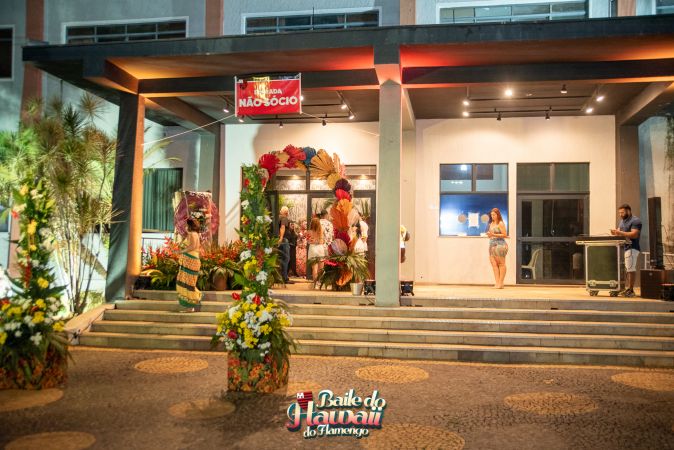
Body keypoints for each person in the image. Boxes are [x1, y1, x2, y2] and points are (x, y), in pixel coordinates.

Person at [610, 203, 642, 297]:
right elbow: (620, 232)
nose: (621, 214)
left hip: (632, 248)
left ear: (628, 211)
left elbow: (634, 234)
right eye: (619, 213)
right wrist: (615, 232)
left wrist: (620, 232)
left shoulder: (636, 221)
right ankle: (626, 288)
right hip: (624, 248)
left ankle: (631, 290)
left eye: (622, 212)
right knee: (627, 269)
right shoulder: (622, 221)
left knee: (630, 269)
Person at [177, 218, 203, 312]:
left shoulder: (192, 234)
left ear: (190, 225)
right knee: (188, 283)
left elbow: (192, 247)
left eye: (186, 225)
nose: (185, 226)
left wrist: (180, 251)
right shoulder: (195, 234)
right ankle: (191, 304)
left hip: (190, 260)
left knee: (187, 283)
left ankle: (191, 304)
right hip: (192, 260)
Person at [487, 208, 508, 289]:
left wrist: (493, 235)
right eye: (491, 215)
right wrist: (489, 235)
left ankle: (501, 283)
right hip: (492, 244)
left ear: (498, 215)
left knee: (501, 264)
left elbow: (504, 234)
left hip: (500, 245)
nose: (492, 216)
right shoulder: (491, 223)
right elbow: (491, 235)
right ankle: (497, 283)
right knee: (494, 264)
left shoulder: (500, 223)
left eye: (494, 215)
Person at [307, 217, 326, 287]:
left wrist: (313, 241)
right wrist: (318, 241)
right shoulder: (321, 230)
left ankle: (315, 284)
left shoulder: (309, 232)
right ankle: (319, 283)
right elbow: (322, 241)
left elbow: (308, 241)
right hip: (320, 248)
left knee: (314, 268)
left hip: (312, 248)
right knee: (321, 268)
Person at [278, 206, 293, 284]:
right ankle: (284, 278)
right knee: (286, 258)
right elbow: (282, 227)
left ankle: (281, 277)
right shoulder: (284, 218)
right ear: (286, 213)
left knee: (281, 259)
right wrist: (281, 238)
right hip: (284, 240)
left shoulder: (278, 217)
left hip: (281, 240)